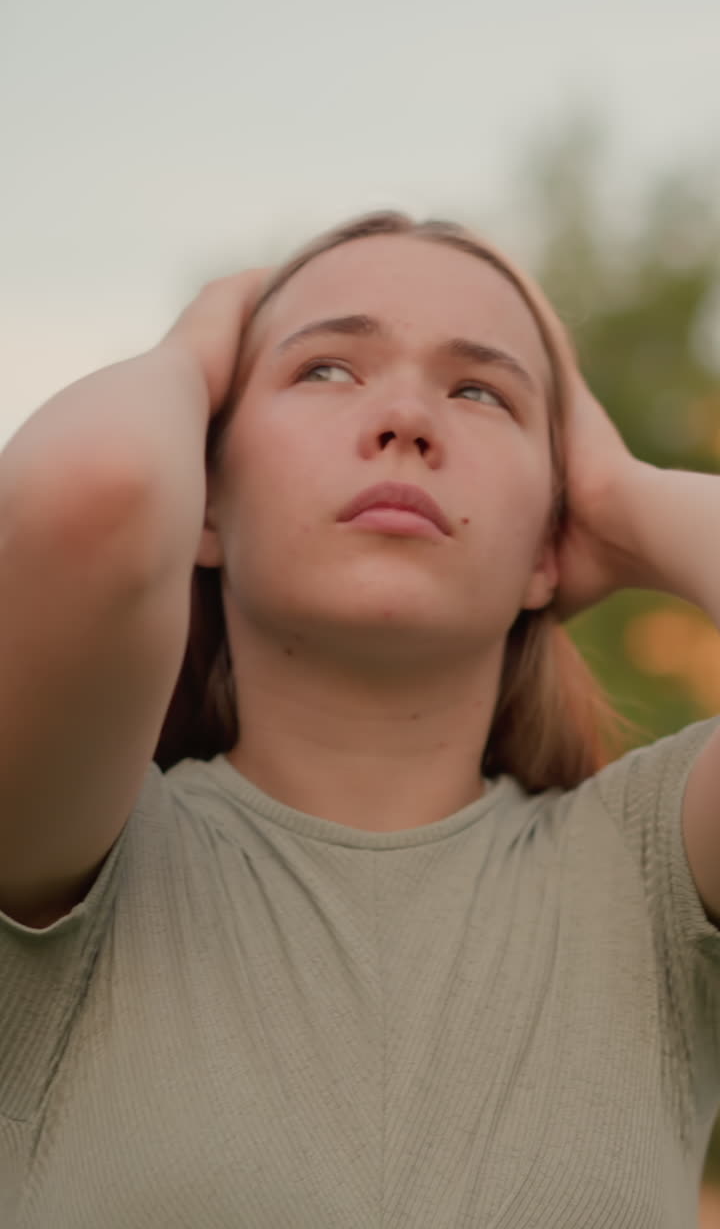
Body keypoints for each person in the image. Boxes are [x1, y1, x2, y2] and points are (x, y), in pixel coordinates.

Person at [1, 210, 719, 1228]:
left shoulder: (648, 881)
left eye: (479, 390)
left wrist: (622, 492)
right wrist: (202, 337)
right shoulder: (77, 855)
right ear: (203, 498)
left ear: (548, 547)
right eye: (329, 370)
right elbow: (89, 492)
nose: (407, 419)